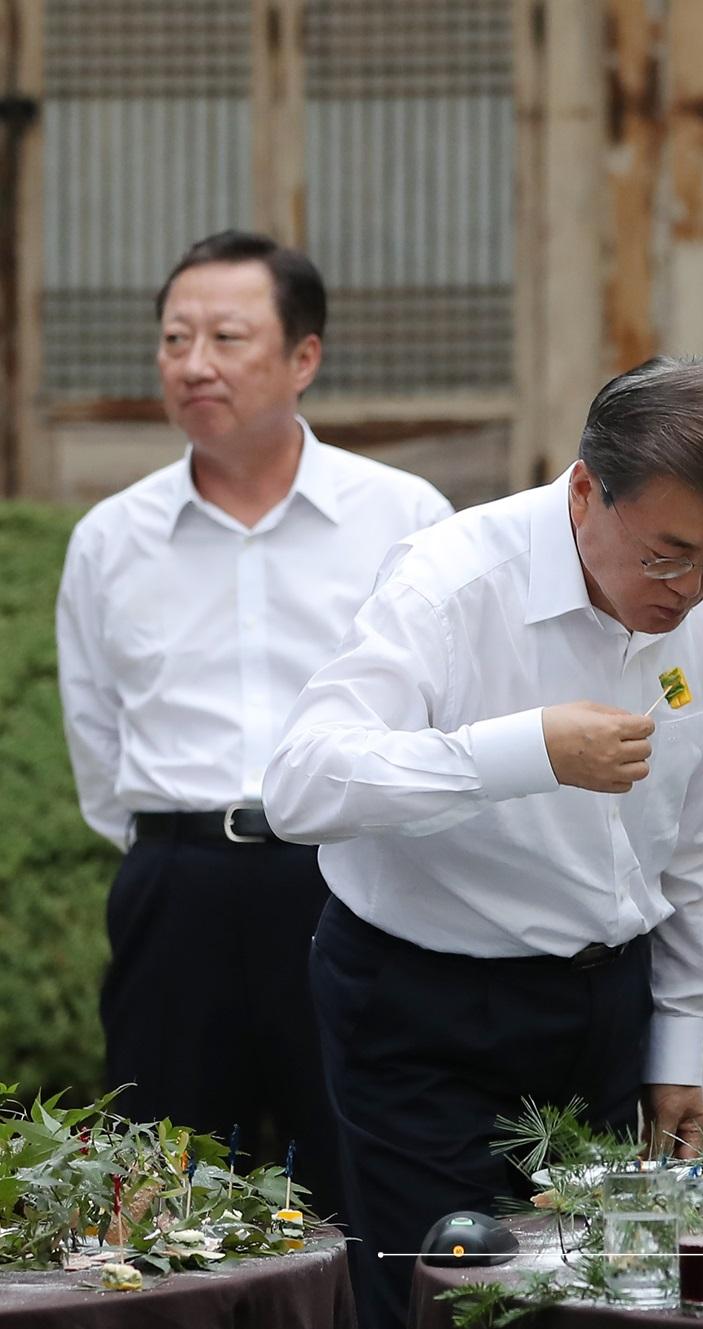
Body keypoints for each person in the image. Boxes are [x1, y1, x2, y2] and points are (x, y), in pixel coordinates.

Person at [263, 355, 703, 1329]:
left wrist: (676, 1042)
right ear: (586, 492)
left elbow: (698, 835)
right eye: (667, 555)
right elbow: (302, 784)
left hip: (601, 1004)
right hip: (425, 1010)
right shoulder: (453, 583)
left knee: (593, 1299)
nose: (693, 589)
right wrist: (524, 751)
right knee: (446, 1301)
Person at [55, 230, 452, 1218]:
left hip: (345, 886)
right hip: (175, 891)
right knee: (154, 1194)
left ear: (303, 357)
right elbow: (95, 739)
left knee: (359, 1182)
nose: (194, 364)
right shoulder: (111, 538)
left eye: (227, 337)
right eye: (175, 339)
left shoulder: (400, 516)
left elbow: (448, 713)